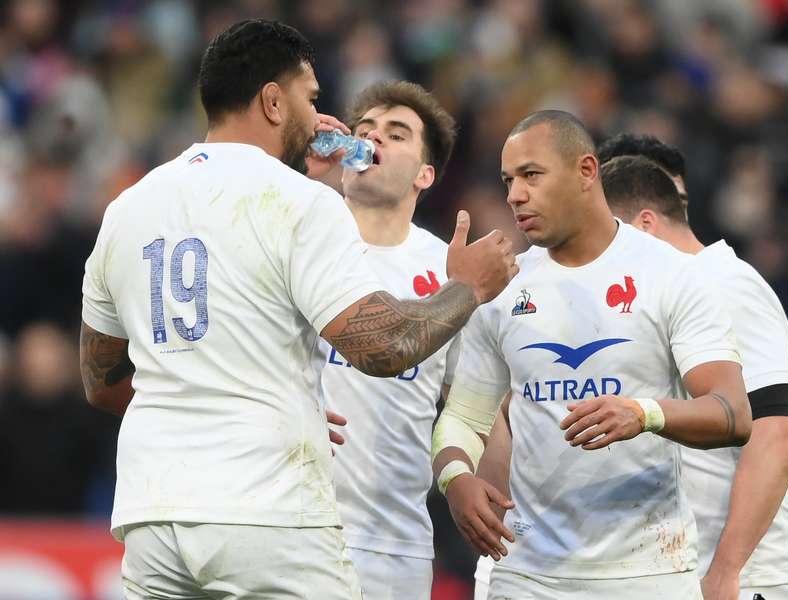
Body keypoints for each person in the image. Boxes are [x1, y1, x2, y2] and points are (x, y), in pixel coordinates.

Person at [79, 20, 517, 600]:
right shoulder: (302, 203)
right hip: (268, 513)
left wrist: (208, 404)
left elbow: (101, 380)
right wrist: (468, 290)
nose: (320, 122)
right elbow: (384, 349)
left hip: (153, 516)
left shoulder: (128, 207)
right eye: (311, 100)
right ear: (272, 100)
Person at [431, 110, 752, 599]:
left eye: (531, 175)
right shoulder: (504, 289)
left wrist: (644, 414)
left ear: (586, 172)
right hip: (527, 576)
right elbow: (463, 419)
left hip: (648, 574)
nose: (515, 194)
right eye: (508, 180)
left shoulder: (670, 274)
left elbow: (732, 412)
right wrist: (456, 478)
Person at [596, 141, 788, 600]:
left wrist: (726, 569)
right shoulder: (666, 297)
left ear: (645, 225)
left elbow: (777, 430)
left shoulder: (726, 284)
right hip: (681, 569)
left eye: (611, 236)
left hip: (753, 576)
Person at [312, 80, 459, 599]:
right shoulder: (297, 240)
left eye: (396, 134)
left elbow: (470, 406)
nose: (374, 140)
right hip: (288, 526)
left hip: (394, 545)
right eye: (365, 131)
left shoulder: (449, 271)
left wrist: (462, 476)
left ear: (426, 174)